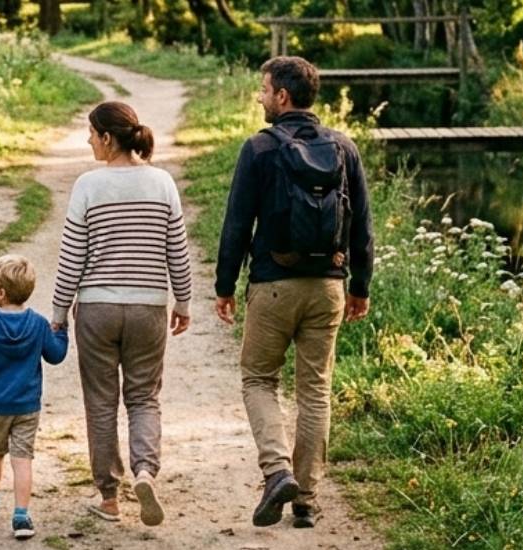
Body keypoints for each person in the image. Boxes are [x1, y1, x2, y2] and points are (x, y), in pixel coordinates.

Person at [213, 55, 374, 529]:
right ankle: (306, 499)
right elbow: (362, 226)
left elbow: (237, 224)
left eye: (263, 90)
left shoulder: (260, 149)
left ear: (282, 96)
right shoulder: (344, 148)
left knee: (259, 379)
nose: (260, 97)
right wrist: (360, 286)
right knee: (315, 390)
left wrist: (225, 286)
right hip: (329, 286)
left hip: (273, 285)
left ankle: (277, 469)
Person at [51, 101, 194, 526]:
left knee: (101, 401)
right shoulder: (162, 183)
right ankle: (146, 471)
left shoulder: (88, 186)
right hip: (149, 307)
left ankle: (109, 496)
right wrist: (182, 302)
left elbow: (72, 256)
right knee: (143, 397)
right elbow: (178, 252)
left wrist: (58, 312)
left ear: (108, 138)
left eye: (91, 133)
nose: (88, 139)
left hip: (96, 309)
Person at [0, 254, 69, 540]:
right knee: (22, 458)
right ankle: (21, 514)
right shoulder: (39, 324)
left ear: (1, 293)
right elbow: (55, 355)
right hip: (28, 406)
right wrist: (62, 332)